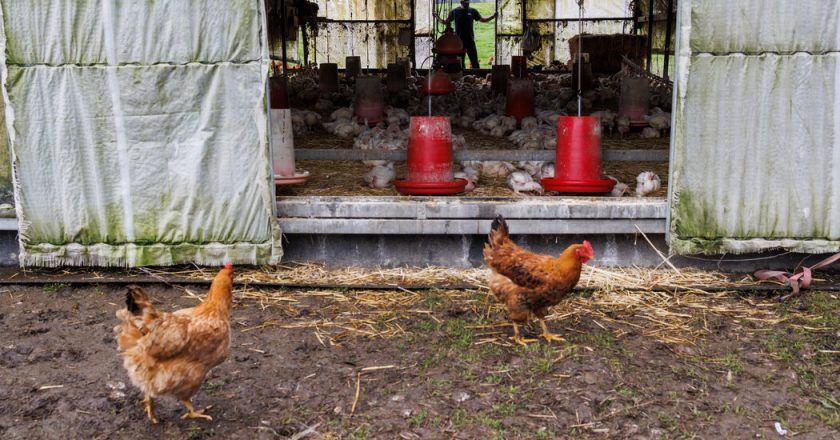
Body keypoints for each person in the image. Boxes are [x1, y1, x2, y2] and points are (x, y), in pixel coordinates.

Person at [433, 0, 497, 69]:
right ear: (461, 2)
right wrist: (436, 16)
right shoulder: (454, 12)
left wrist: (493, 16)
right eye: (465, 3)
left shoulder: (473, 11)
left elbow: (483, 20)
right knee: (460, 63)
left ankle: (478, 76)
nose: (467, 4)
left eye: (468, 3)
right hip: (459, 42)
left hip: (470, 40)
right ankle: (462, 78)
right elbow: (446, 22)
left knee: (474, 61)